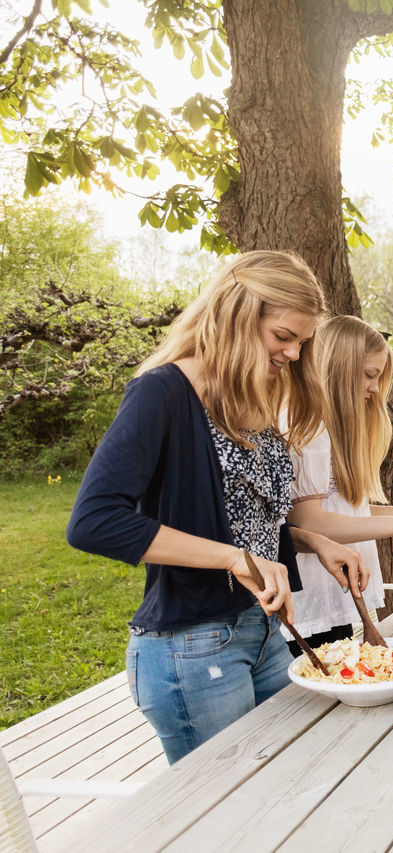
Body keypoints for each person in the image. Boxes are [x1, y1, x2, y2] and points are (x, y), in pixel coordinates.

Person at [66, 251, 361, 764]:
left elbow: (248, 524)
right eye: (283, 337)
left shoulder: (253, 397)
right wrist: (233, 560)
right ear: (236, 316)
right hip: (193, 648)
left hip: (266, 632)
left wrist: (314, 540)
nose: (293, 354)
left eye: (301, 342)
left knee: (289, 787)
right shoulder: (161, 393)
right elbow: (94, 522)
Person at [284, 315, 393, 655]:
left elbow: (346, 508)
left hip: (334, 598)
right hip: (309, 608)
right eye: (370, 375)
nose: (375, 389)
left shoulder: (329, 431)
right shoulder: (308, 429)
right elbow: (308, 523)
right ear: (339, 370)